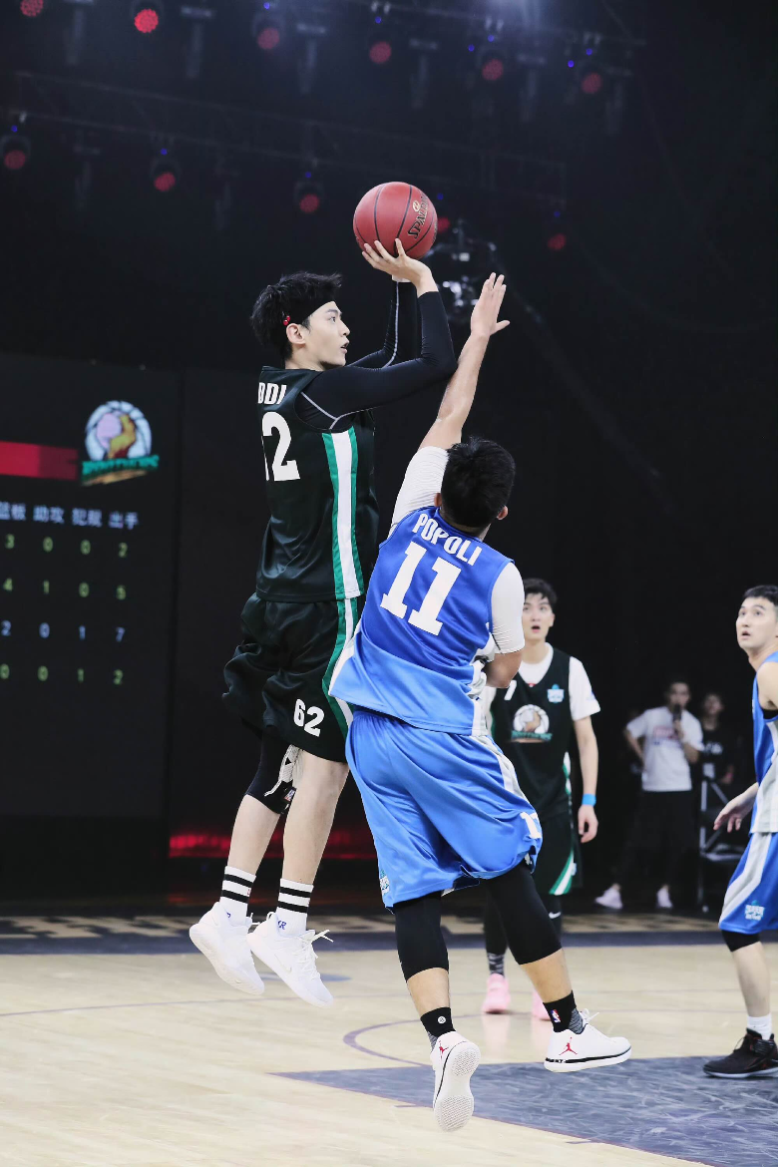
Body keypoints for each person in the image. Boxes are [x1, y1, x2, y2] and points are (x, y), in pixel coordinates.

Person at [330, 275, 630, 1133]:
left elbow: (450, 414)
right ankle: (568, 1028)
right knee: (507, 865)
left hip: (367, 730)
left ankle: (441, 1037)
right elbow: (501, 671)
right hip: (436, 731)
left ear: (443, 486)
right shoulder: (500, 575)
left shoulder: (408, 508)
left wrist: (473, 338)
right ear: (500, 509)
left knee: (412, 890)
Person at [190, 240, 457, 1006]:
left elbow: (395, 357)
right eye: (334, 317)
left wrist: (399, 286)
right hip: (328, 605)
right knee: (328, 767)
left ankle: (228, 907)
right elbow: (432, 363)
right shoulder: (324, 396)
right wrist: (425, 278)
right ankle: (285, 920)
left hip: (278, 598)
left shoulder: (285, 390)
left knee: (277, 761)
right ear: (295, 331)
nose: (346, 327)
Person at [480, 579, 601, 1017]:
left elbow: (586, 741)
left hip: (553, 801)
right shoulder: (497, 666)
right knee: (500, 890)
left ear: (552, 617)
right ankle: (496, 978)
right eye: (526, 606)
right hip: (503, 799)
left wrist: (589, 801)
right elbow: (474, 725)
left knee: (549, 894)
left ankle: (544, 987)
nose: (534, 614)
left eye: (542, 607)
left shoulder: (571, 669)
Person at [704, 585, 778, 1078]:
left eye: (759, 612)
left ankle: (760, 1041)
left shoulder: (771, 670)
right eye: (741, 611)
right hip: (768, 806)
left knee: (737, 921)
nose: (745, 619)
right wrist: (754, 792)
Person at [596, 679, 703, 911]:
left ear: (688, 698)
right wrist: (642, 757)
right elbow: (629, 731)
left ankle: (665, 889)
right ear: (667, 695)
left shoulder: (692, 723)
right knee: (638, 840)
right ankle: (616, 890)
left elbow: (694, 757)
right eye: (674, 692)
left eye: (683, 693)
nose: (678, 697)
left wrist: (682, 734)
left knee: (677, 842)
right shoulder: (652, 716)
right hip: (653, 787)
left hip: (679, 788)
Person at [699, 691, 737, 790]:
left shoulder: (726, 734)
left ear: (721, 707)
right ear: (702, 704)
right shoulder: (693, 727)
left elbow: (731, 758)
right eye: (708, 700)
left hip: (719, 782)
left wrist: (729, 776)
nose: (711, 704)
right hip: (695, 781)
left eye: (715, 701)